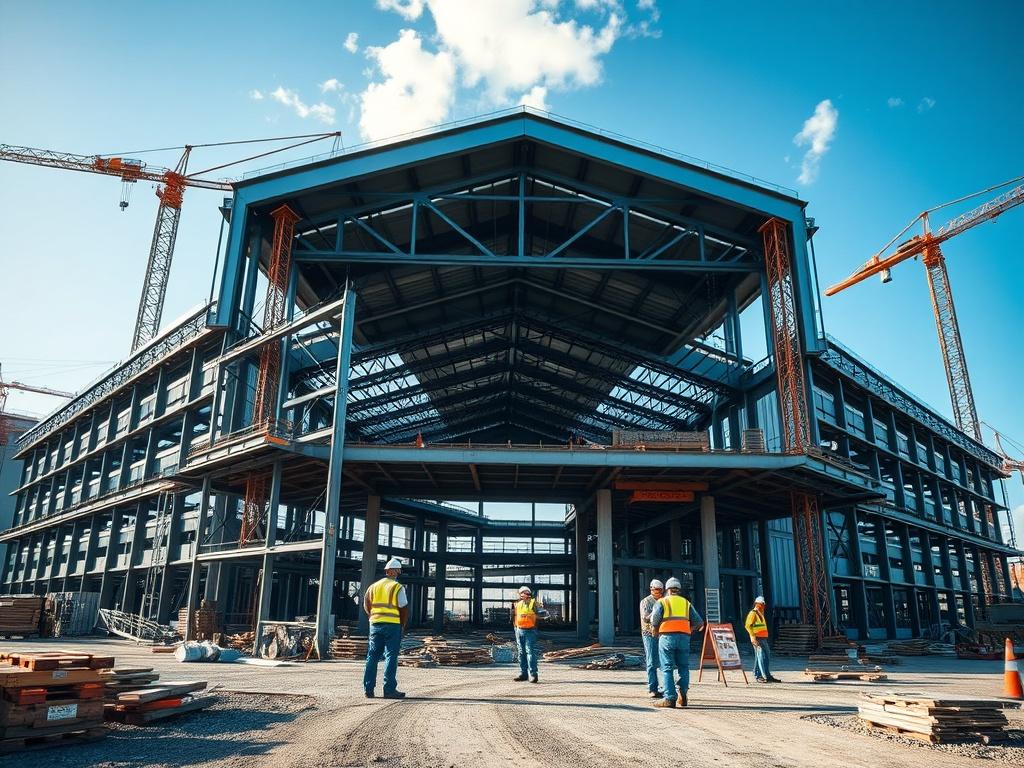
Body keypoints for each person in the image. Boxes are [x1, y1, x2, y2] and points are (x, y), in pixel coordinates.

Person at [649, 577, 703, 708]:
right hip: (684, 638)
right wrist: (688, 630)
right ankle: (683, 695)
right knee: (683, 666)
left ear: (667, 589)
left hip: (667, 637)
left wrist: (655, 630)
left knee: (667, 667)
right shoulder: (686, 603)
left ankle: (669, 698)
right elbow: (699, 622)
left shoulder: (662, 602)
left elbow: (654, 620)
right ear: (679, 589)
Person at [362, 557, 409, 699]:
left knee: (372, 656)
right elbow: (404, 608)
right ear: (395, 572)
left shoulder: (373, 587)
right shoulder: (397, 587)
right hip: (392, 625)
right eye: (398, 570)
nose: (398, 573)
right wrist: (403, 624)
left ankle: (368, 689)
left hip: (375, 625)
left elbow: (366, 605)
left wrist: (373, 617)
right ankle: (389, 690)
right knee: (391, 656)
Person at [512, 586, 548, 682]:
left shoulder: (534, 603)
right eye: (523, 593)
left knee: (530, 652)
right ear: (520, 595)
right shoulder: (517, 604)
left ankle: (533, 674)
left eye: (527, 593)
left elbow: (544, 614)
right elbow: (515, 617)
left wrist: (537, 615)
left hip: (530, 631)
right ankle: (523, 674)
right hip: (519, 630)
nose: (525, 594)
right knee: (521, 653)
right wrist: (516, 628)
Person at [745, 596, 780, 683]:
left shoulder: (760, 614)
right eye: (762, 604)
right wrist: (752, 637)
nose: (763, 606)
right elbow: (747, 626)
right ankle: (758, 675)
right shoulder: (753, 613)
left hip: (763, 638)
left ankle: (767, 675)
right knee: (759, 657)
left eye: (763, 604)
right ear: (757, 604)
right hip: (757, 638)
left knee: (765, 656)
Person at [639, 579, 665, 698]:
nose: (659, 592)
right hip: (649, 634)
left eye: (661, 590)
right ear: (651, 589)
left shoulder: (664, 601)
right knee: (651, 662)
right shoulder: (646, 602)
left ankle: (665, 688)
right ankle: (652, 688)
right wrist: (656, 611)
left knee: (664, 662)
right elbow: (645, 618)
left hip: (662, 634)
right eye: (656, 590)